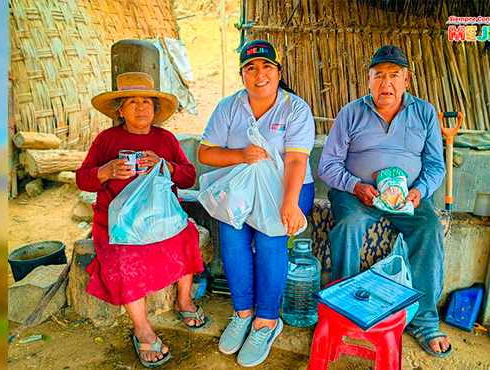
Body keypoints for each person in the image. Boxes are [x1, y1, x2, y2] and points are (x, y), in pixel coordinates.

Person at [318, 45, 451, 357]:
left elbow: (435, 165)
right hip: (357, 195)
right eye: (379, 76)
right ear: (368, 80)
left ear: (406, 80)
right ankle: (344, 309)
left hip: (409, 199)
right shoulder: (351, 113)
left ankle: (425, 320)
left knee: (429, 228)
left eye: (394, 76)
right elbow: (327, 165)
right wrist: (355, 185)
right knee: (349, 225)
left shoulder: (424, 113)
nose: (386, 83)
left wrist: (420, 191)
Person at [76, 72, 210, 368]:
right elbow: (82, 179)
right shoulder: (106, 140)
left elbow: (189, 177)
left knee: (186, 235)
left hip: (160, 219)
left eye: (147, 101)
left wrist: (164, 165)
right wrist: (106, 171)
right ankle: (142, 328)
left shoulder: (165, 139)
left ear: (155, 110)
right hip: (118, 225)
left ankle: (183, 300)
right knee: (123, 258)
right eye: (132, 102)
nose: (141, 107)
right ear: (120, 110)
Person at [198, 39, 315, 367]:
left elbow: (295, 161)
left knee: (269, 240)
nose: (259, 74)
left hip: (286, 188)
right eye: (251, 68)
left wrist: (289, 204)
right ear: (242, 75)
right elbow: (205, 152)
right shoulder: (229, 107)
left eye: (266, 67)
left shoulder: (295, 109)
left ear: (278, 72)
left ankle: (266, 320)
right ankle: (243, 313)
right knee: (232, 239)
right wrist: (240, 155)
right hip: (240, 188)